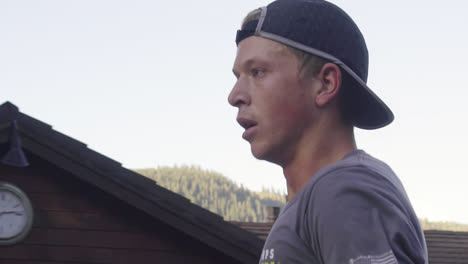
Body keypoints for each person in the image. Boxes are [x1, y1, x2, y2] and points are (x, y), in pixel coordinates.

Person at [228, 0, 428, 263]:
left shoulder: (344, 193)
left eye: (258, 72)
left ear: (325, 83)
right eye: (238, 77)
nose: (235, 96)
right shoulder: (319, 200)